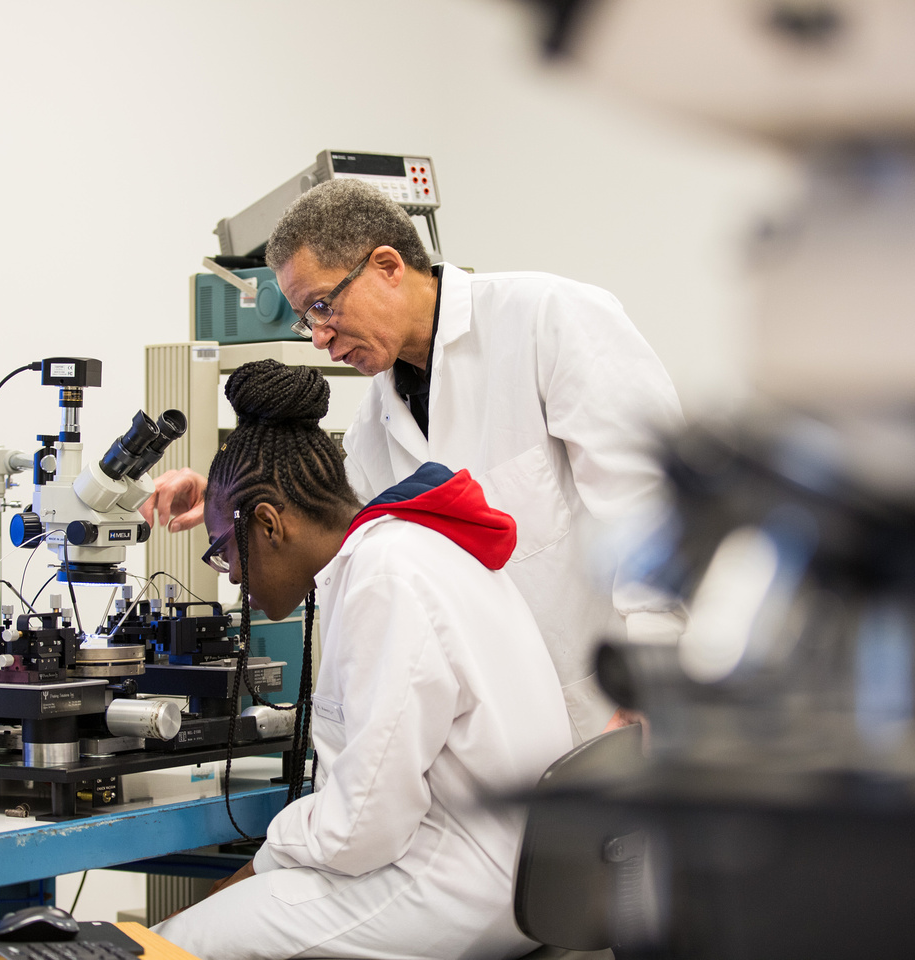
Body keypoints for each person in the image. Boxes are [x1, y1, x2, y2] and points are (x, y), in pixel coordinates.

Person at [144, 179, 685, 741]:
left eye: (323, 305)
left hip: (615, 711)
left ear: (387, 265)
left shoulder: (549, 320)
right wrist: (228, 497)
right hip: (503, 739)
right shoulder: (377, 423)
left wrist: (655, 679)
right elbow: (325, 521)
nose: (319, 338)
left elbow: (656, 509)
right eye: (306, 319)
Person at [152, 360, 572, 960]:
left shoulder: (384, 577)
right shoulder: (406, 548)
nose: (235, 577)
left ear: (268, 523)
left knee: (177, 944)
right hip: (518, 873)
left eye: (225, 551)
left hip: (456, 884)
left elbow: (361, 830)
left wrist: (260, 863)